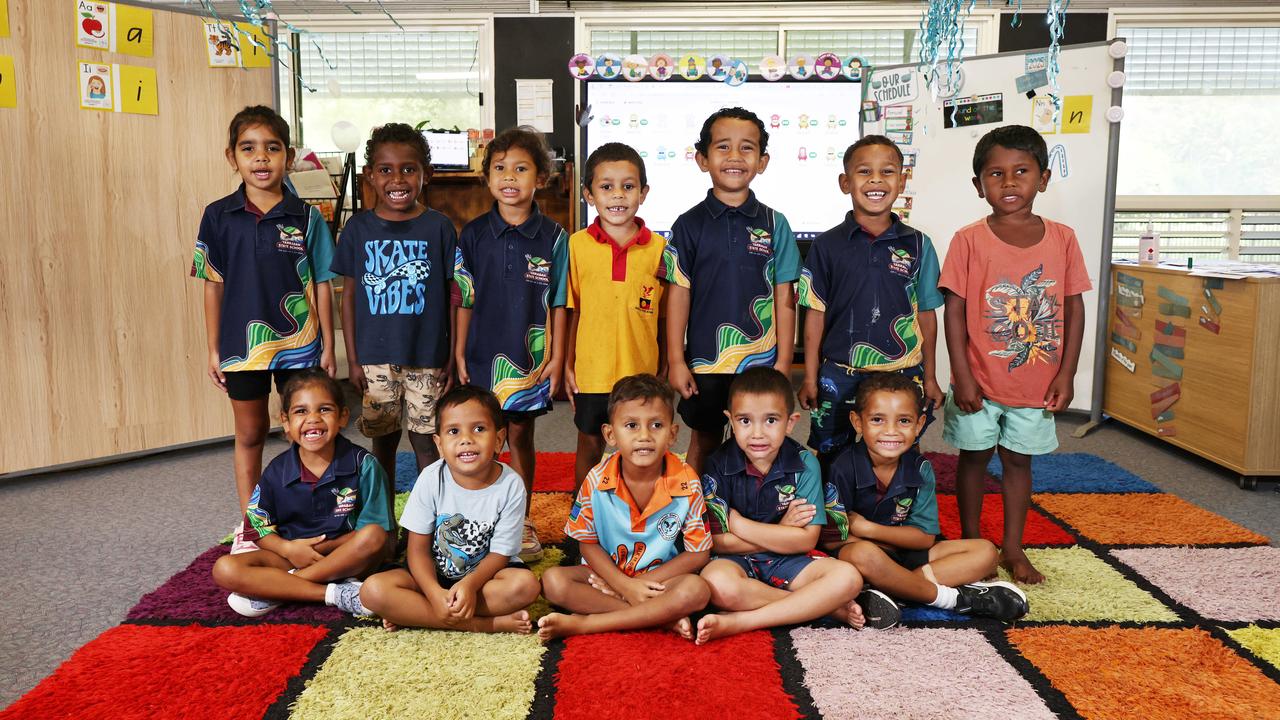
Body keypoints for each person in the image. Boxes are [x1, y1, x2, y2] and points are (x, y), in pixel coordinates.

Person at [940, 125, 1091, 584]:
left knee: (1018, 461)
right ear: (978, 185)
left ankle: (1012, 547)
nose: (1008, 183)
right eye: (995, 174)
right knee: (973, 456)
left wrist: (1067, 374)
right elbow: (953, 310)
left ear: (1042, 179)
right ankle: (971, 541)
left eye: (1021, 172)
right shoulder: (968, 240)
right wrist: (962, 375)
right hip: (980, 381)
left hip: (1035, 384)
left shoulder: (1063, 239)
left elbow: (1073, 307)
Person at [193, 105, 337, 553]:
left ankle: (307, 511)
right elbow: (212, 286)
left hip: (301, 346)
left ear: (288, 156)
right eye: (248, 148)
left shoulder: (307, 217)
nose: (261, 158)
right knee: (251, 433)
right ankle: (252, 524)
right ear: (231, 157)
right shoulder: (217, 216)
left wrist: (330, 347)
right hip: (242, 348)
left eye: (272, 148)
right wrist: (215, 348)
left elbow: (324, 285)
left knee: (306, 430)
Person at [823, 373, 1029, 628]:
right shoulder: (842, 467)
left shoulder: (920, 468)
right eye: (877, 420)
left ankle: (895, 590)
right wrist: (877, 543)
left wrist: (868, 528)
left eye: (904, 421)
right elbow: (833, 538)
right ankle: (951, 598)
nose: (891, 431)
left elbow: (923, 538)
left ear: (919, 425)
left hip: (905, 554)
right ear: (857, 422)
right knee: (864, 554)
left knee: (985, 551)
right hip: (863, 557)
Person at [661, 107, 801, 474]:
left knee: (761, 444)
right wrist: (677, 360)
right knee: (705, 440)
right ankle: (697, 514)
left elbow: (786, 298)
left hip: (762, 363)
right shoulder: (688, 225)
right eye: (723, 147)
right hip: (707, 362)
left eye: (747, 148)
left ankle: (755, 515)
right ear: (703, 159)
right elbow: (678, 294)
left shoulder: (775, 223)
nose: (735, 157)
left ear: (763, 161)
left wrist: (784, 362)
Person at [453, 126, 568, 563]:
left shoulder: (554, 237)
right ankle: (480, 519)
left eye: (521, 169)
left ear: (540, 178)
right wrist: (460, 352)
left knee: (520, 435)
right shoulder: (473, 234)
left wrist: (557, 356)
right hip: (482, 351)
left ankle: (519, 520)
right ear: (487, 178)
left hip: (528, 359)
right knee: (479, 434)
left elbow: (559, 302)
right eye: (499, 168)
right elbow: (463, 297)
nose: (509, 177)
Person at [797, 135, 945, 462]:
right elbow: (814, 315)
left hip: (903, 372)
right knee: (831, 453)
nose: (876, 179)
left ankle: (896, 512)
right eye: (865, 172)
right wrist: (810, 376)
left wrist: (931, 376)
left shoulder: (920, 245)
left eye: (887, 172)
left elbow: (927, 316)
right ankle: (835, 514)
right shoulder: (826, 246)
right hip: (840, 372)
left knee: (902, 450)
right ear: (845, 182)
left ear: (902, 181)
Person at [695, 368, 863, 644]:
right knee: (717, 585)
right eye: (745, 421)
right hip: (734, 562)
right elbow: (717, 541)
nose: (758, 433)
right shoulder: (717, 463)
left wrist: (739, 524)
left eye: (771, 420)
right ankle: (824, 608)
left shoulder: (805, 463)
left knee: (848, 578)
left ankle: (743, 620)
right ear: (731, 422)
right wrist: (782, 531)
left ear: (790, 422)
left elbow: (806, 540)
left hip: (788, 562)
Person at [538, 374, 712, 640]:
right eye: (631, 425)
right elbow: (588, 544)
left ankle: (588, 624)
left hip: (660, 580)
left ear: (672, 434)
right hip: (605, 577)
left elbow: (698, 554)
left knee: (697, 590)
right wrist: (622, 585)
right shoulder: (596, 480)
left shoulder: (687, 481)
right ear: (610, 434)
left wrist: (636, 585)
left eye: (656, 425)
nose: (644, 436)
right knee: (553, 582)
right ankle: (662, 619)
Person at [330, 123, 456, 487]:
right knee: (382, 441)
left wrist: (449, 355)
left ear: (426, 175)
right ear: (369, 175)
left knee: (426, 444)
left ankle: (430, 528)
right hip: (374, 359)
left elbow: (453, 295)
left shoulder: (440, 228)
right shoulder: (358, 229)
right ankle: (383, 527)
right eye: (385, 170)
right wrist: (352, 359)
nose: (397, 179)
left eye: (408, 169)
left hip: (427, 357)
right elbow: (349, 297)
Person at [359, 386, 542, 633]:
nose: (466, 439)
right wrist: (434, 593)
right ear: (440, 444)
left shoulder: (511, 485)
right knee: (372, 591)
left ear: (499, 439)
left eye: (479, 429)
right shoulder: (431, 478)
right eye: (453, 431)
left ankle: (415, 614)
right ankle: (484, 625)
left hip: (484, 579)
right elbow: (417, 551)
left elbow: (499, 555)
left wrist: (469, 585)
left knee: (526, 586)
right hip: (432, 574)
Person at [211, 369, 392, 617]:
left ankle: (278, 589)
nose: (313, 419)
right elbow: (257, 528)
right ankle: (333, 593)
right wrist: (288, 550)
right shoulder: (276, 471)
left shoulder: (364, 465)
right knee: (224, 569)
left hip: (345, 557)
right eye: (301, 411)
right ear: (285, 422)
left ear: (343, 417)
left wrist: (325, 550)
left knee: (374, 536)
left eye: (325, 409)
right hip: (291, 556)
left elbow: (377, 531)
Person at [564, 143, 666, 487]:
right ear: (588, 195)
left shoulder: (660, 250)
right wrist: (567, 364)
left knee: (642, 447)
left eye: (628, 186)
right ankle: (583, 515)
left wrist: (665, 365)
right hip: (592, 373)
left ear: (644, 192)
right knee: (590, 443)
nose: (618, 195)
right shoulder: (575, 246)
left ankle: (640, 512)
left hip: (642, 372)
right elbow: (571, 311)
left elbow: (665, 318)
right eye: (606, 187)